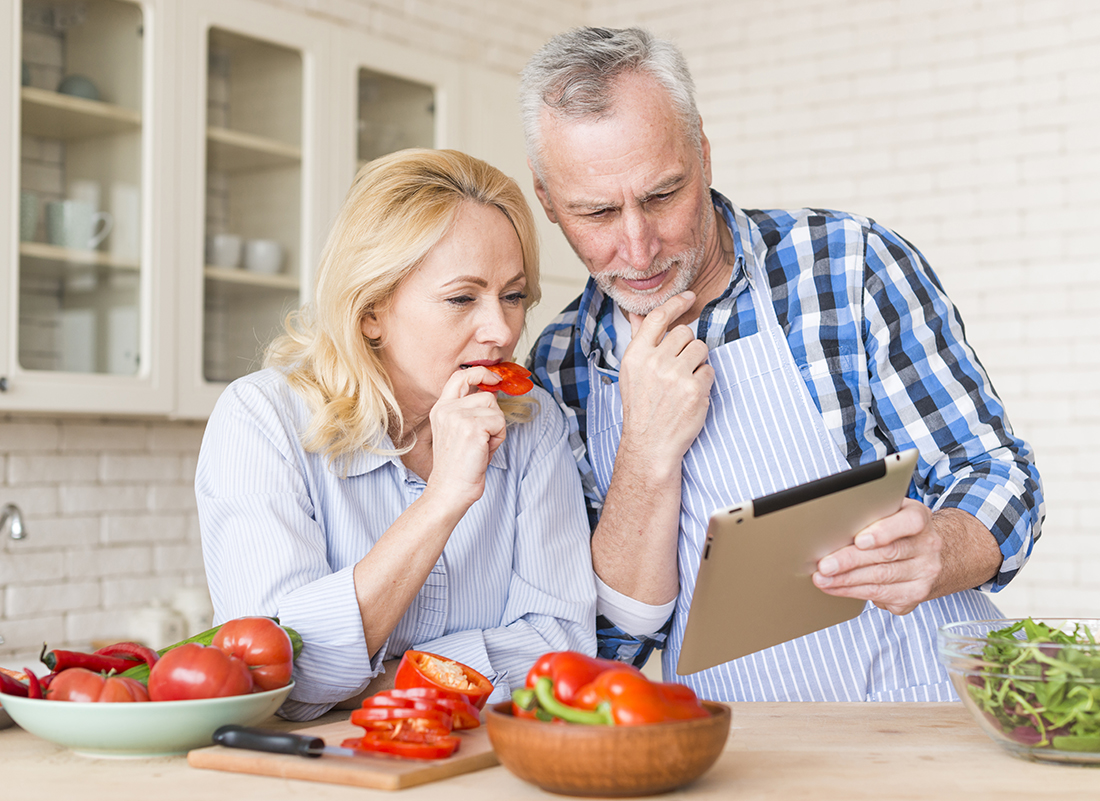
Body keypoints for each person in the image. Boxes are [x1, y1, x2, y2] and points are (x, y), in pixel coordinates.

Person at [521, 27, 1045, 701]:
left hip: (932, 709)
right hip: (735, 747)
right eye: (594, 212)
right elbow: (610, 642)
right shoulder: (563, 365)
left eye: (662, 195)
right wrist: (645, 452)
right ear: (547, 201)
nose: (639, 244)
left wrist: (942, 546)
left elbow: (1002, 477)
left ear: (703, 155)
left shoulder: (847, 264)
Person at [196, 149, 597, 721]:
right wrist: (443, 500)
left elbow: (562, 646)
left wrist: (382, 679)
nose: (502, 329)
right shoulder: (262, 419)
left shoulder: (533, 425)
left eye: (513, 296)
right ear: (370, 312)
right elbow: (280, 669)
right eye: (463, 298)